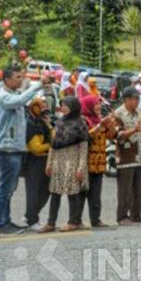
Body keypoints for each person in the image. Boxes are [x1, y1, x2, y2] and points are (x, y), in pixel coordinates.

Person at [0, 67, 45, 234]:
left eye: (22, 77)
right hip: (7, 149)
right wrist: (37, 86)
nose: (20, 80)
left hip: (16, 148)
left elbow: (24, 98)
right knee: (6, 187)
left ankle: (6, 221)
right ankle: (2, 224)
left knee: (10, 187)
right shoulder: (4, 96)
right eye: (17, 77)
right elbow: (21, 100)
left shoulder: (14, 94)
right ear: (7, 79)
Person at [43, 97, 89, 232]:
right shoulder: (59, 122)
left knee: (73, 193)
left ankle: (73, 222)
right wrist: (49, 163)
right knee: (55, 193)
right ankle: (50, 223)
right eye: (62, 105)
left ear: (74, 107)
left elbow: (83, 147)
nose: (63, 107)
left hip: (72, 162)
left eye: (66, 105)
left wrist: (81, 168)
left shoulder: (81, 123)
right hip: (58, 161)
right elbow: (53, 144)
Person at [113, 87, 141, 225]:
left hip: (140, 153)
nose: (137, 102)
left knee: (139, 187)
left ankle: (136, 215)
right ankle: (122, 216)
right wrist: (134, 130)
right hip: (126, 155)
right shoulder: (118, 114)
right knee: (125, 188)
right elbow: (118, 136)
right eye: (134, 99)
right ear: (126, 99)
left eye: (138, 99)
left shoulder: (140, 112)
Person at [81, 95, 116, 228]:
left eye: (99, 104)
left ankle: (96, 220)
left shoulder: (100, 120)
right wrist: (100, 125)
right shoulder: (84, 120)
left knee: (96, 194)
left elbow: (111, 135)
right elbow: (86, 136)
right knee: (82, 193)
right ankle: (76, 220)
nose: (99, 106)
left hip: (100, 162)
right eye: (96, 104)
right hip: (86, 161)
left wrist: (110, 124)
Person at [23, 98, 52, 231]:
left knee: (46, 190)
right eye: (40, 106)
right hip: (33, 161)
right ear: (33, 107)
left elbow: (55, 138)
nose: (43, 109)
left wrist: (49, 126)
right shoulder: (30, 123)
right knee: (33, 192)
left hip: (46, 161)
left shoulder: (44, 122)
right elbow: (36, 148)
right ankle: (32, 221)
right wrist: (51, 146)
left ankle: (30, 214)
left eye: (45, 107)